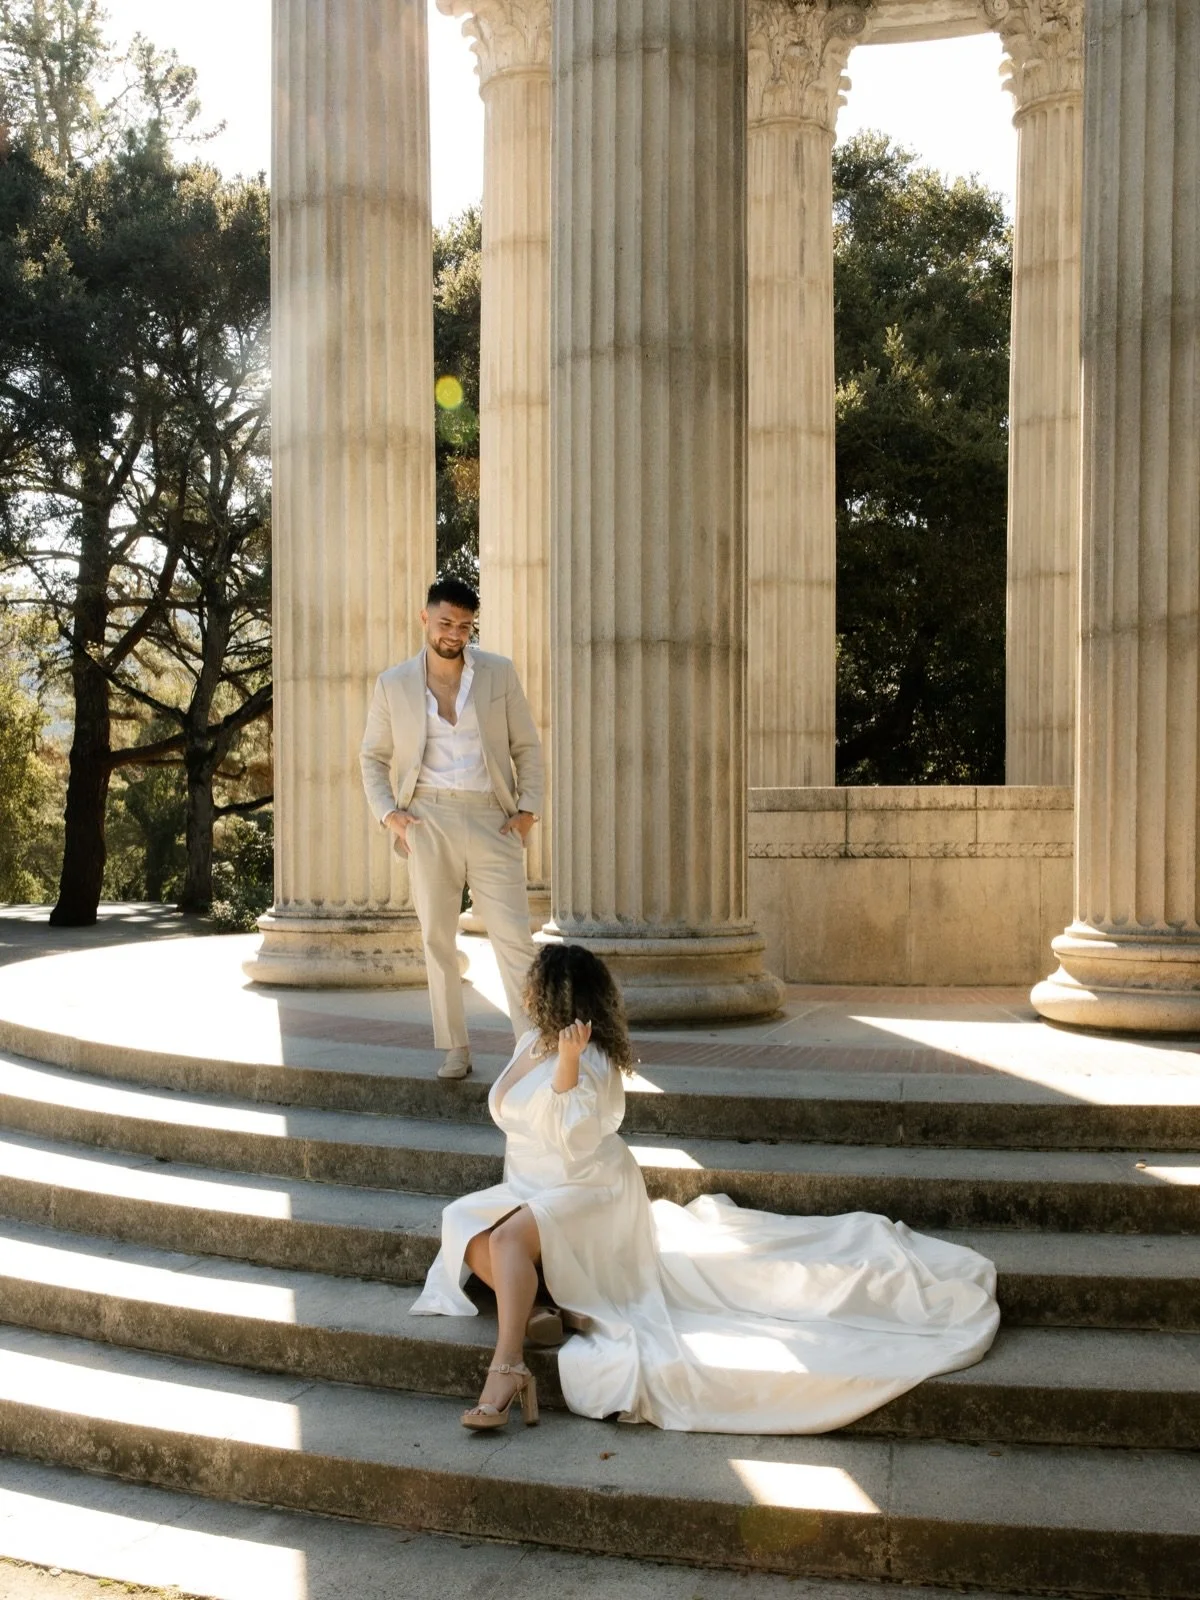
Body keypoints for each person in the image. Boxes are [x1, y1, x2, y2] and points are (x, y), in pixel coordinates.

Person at [412, 943, 1001, 1434]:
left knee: (509, 1241)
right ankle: (545, 1304)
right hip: (529, 1181)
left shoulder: (587, 1056)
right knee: (466, 1228)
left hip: (586, 1186)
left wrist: (566, 1064)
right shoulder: (526, 1042)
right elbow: (509, 1114)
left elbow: (575, 1138)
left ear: (553, 993)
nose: (522, 990)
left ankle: (508, 1366)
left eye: (532, 983)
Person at [360, 577, 543, 1080]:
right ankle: (455, 1048)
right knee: (437, 937)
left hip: (492, 818)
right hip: (428, 818)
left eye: (464, 625)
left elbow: (526, 746)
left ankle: (532, 1044)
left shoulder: (498, 674)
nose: (454, 634)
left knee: (514, 939)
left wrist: (528, 810)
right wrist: (388, 814)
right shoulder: (393, 683)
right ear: (425, 619)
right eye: (445, 623)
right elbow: (372, 758)